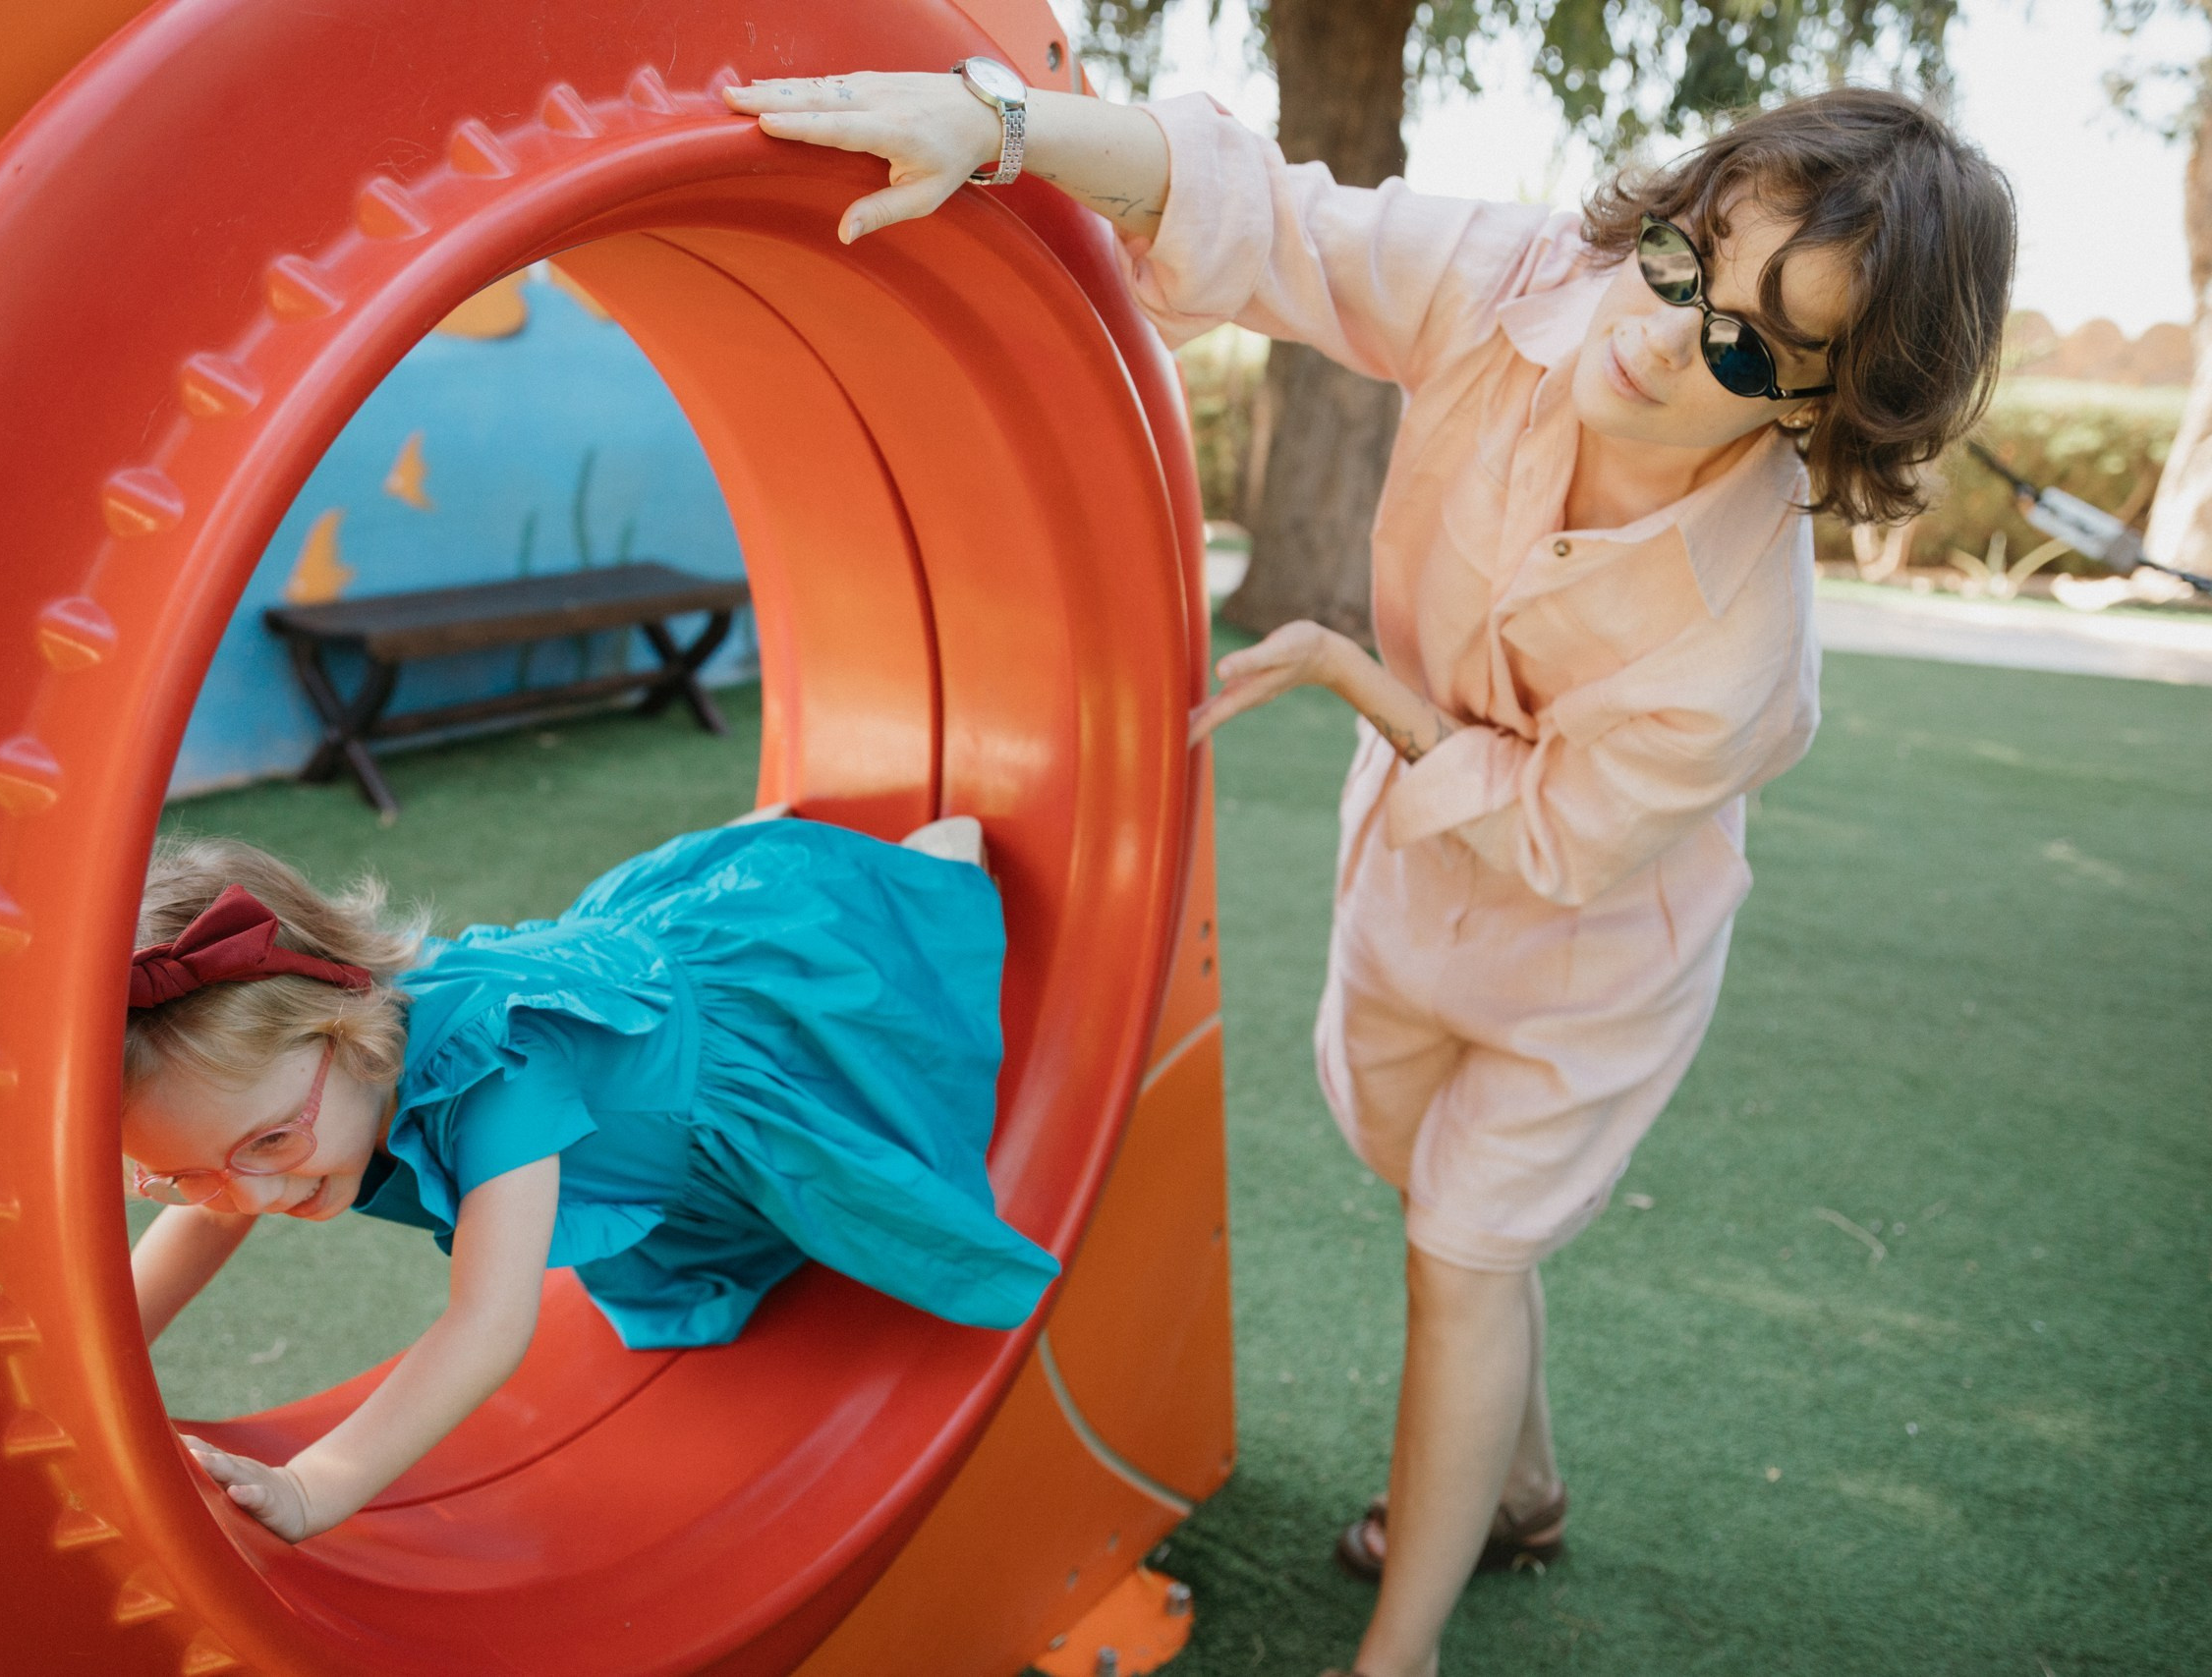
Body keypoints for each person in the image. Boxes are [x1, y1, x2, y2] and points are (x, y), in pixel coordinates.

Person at [724, 67, 2013, 1676]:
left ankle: (1396, 1648)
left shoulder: (1743, 648)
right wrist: (995, 128)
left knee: (1464, 1249)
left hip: (1593, 950)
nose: (1664, 330)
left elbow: (1556, 839)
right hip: (1416, 870)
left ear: (1823, 410)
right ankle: (1519, 1487)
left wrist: (1354, 674)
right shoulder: (1529, 286)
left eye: (1750, 345)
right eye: (1688, 258)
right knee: (1447, 1197)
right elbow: (1279, 220)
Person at [121, 813, 1055, 1543]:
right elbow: (213, 1217)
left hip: (742, 1017)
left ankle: (927, 862)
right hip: (637, 1081)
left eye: (272, 1143)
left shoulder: (502, 1073)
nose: (245, 1195)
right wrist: (108, 1353)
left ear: (347, 1025)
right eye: (186, 1175)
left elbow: (489, 1324)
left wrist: (314, 1483)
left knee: (898, 929)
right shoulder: (287, 1105)